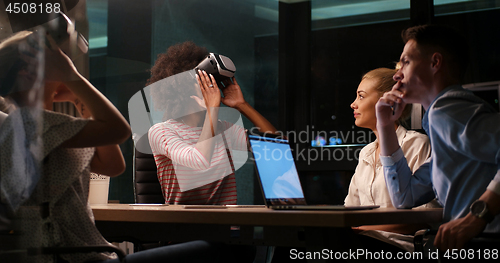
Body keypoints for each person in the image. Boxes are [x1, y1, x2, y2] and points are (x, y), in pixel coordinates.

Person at [0, 31, 229, 263]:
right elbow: (119, 130)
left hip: (81, 255)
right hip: (76, 258)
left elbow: (112, 165)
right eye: (55, 60)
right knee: (217, 249)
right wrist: (73, 76)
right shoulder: (29, 125)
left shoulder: (39, 128)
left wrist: (79, 101)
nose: (64, 63)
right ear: (27, 72)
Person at [376, 24, 500, 251]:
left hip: (483, 245)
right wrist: (384, 124)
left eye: (406, 62)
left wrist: (477, 217)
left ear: (435, 63)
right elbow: (404, 197)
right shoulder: (440, 117)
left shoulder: (446, 109)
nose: (396, 74)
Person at [147, 41, 277, 205]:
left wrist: (242, 105)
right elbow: (199, 160)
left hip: (225, 225)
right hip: (183, 226)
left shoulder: (222, 129)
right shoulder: (162, 132)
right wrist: (212, 110)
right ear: (183, 88)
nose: (212, 87)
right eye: (204, 82)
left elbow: (276, 146)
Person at [345, 67, 434, 251]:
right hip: (363, 240)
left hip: (397, 246)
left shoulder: (416, 144)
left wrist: (362, 229)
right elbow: (349, 209)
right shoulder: (366, 153)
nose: (353, 104)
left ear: (387, 101)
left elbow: (425, 217)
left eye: (361, 96)